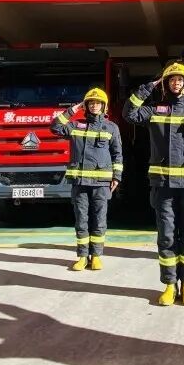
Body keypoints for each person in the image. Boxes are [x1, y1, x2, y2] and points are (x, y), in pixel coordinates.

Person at [124, 62, 184, 306]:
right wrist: (147, 88)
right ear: (165, 84)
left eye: (180, 79)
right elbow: (129, 113)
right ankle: (169, 285)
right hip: (163, 185)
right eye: (172, 79)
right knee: (166, 236)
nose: (176, 83)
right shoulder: (156, 109)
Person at [50, 87, 123, 271]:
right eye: (90, 103)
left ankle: (96, 256)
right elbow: (55, 127)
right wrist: (74, 109)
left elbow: (117, 154)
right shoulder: (75, 125)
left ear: (104, 106)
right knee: (81, 220)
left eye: (98, 103)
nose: (94, 106)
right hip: (80, 183)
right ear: (86, 105)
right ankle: (83, 256)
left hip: (101, 184)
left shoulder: (111, 127)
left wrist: (116, 177)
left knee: (99, 220)